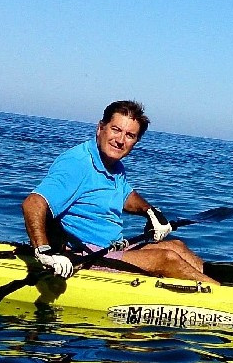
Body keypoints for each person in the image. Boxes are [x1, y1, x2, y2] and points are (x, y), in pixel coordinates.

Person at [22, 100, 218, 285]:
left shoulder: (113, 165)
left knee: (176, 247)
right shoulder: (77, 164)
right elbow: (33, 203)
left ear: (136, 141)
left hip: (112, 248)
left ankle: (222, 284)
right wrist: (44, 253)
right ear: (100, 128)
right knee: (167, 259)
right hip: (84, 256)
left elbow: (125, 196)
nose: (120, 140)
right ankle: (223, 298)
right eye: (116, 130)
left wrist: (150, 212)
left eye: (130, 135)